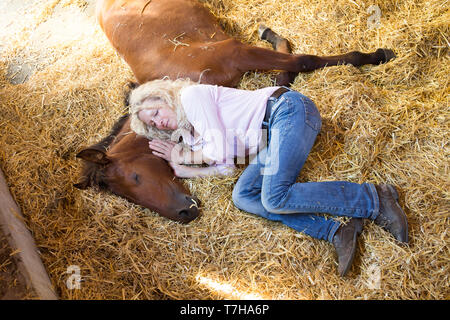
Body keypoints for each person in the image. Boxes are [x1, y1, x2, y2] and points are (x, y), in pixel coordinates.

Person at [128, 78, 409, 277]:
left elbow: (221, 151)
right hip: (273, 138)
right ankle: (336, 231)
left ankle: (374, 198)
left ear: (164, 98)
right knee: (242, 196)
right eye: (153, 124)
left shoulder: (191, 98)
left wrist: (183, 157)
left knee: (274, 196)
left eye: (156, 112)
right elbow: (226, 168)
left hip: (288, 111)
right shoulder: (193, 135)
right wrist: (183, 170)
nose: (159, 121)